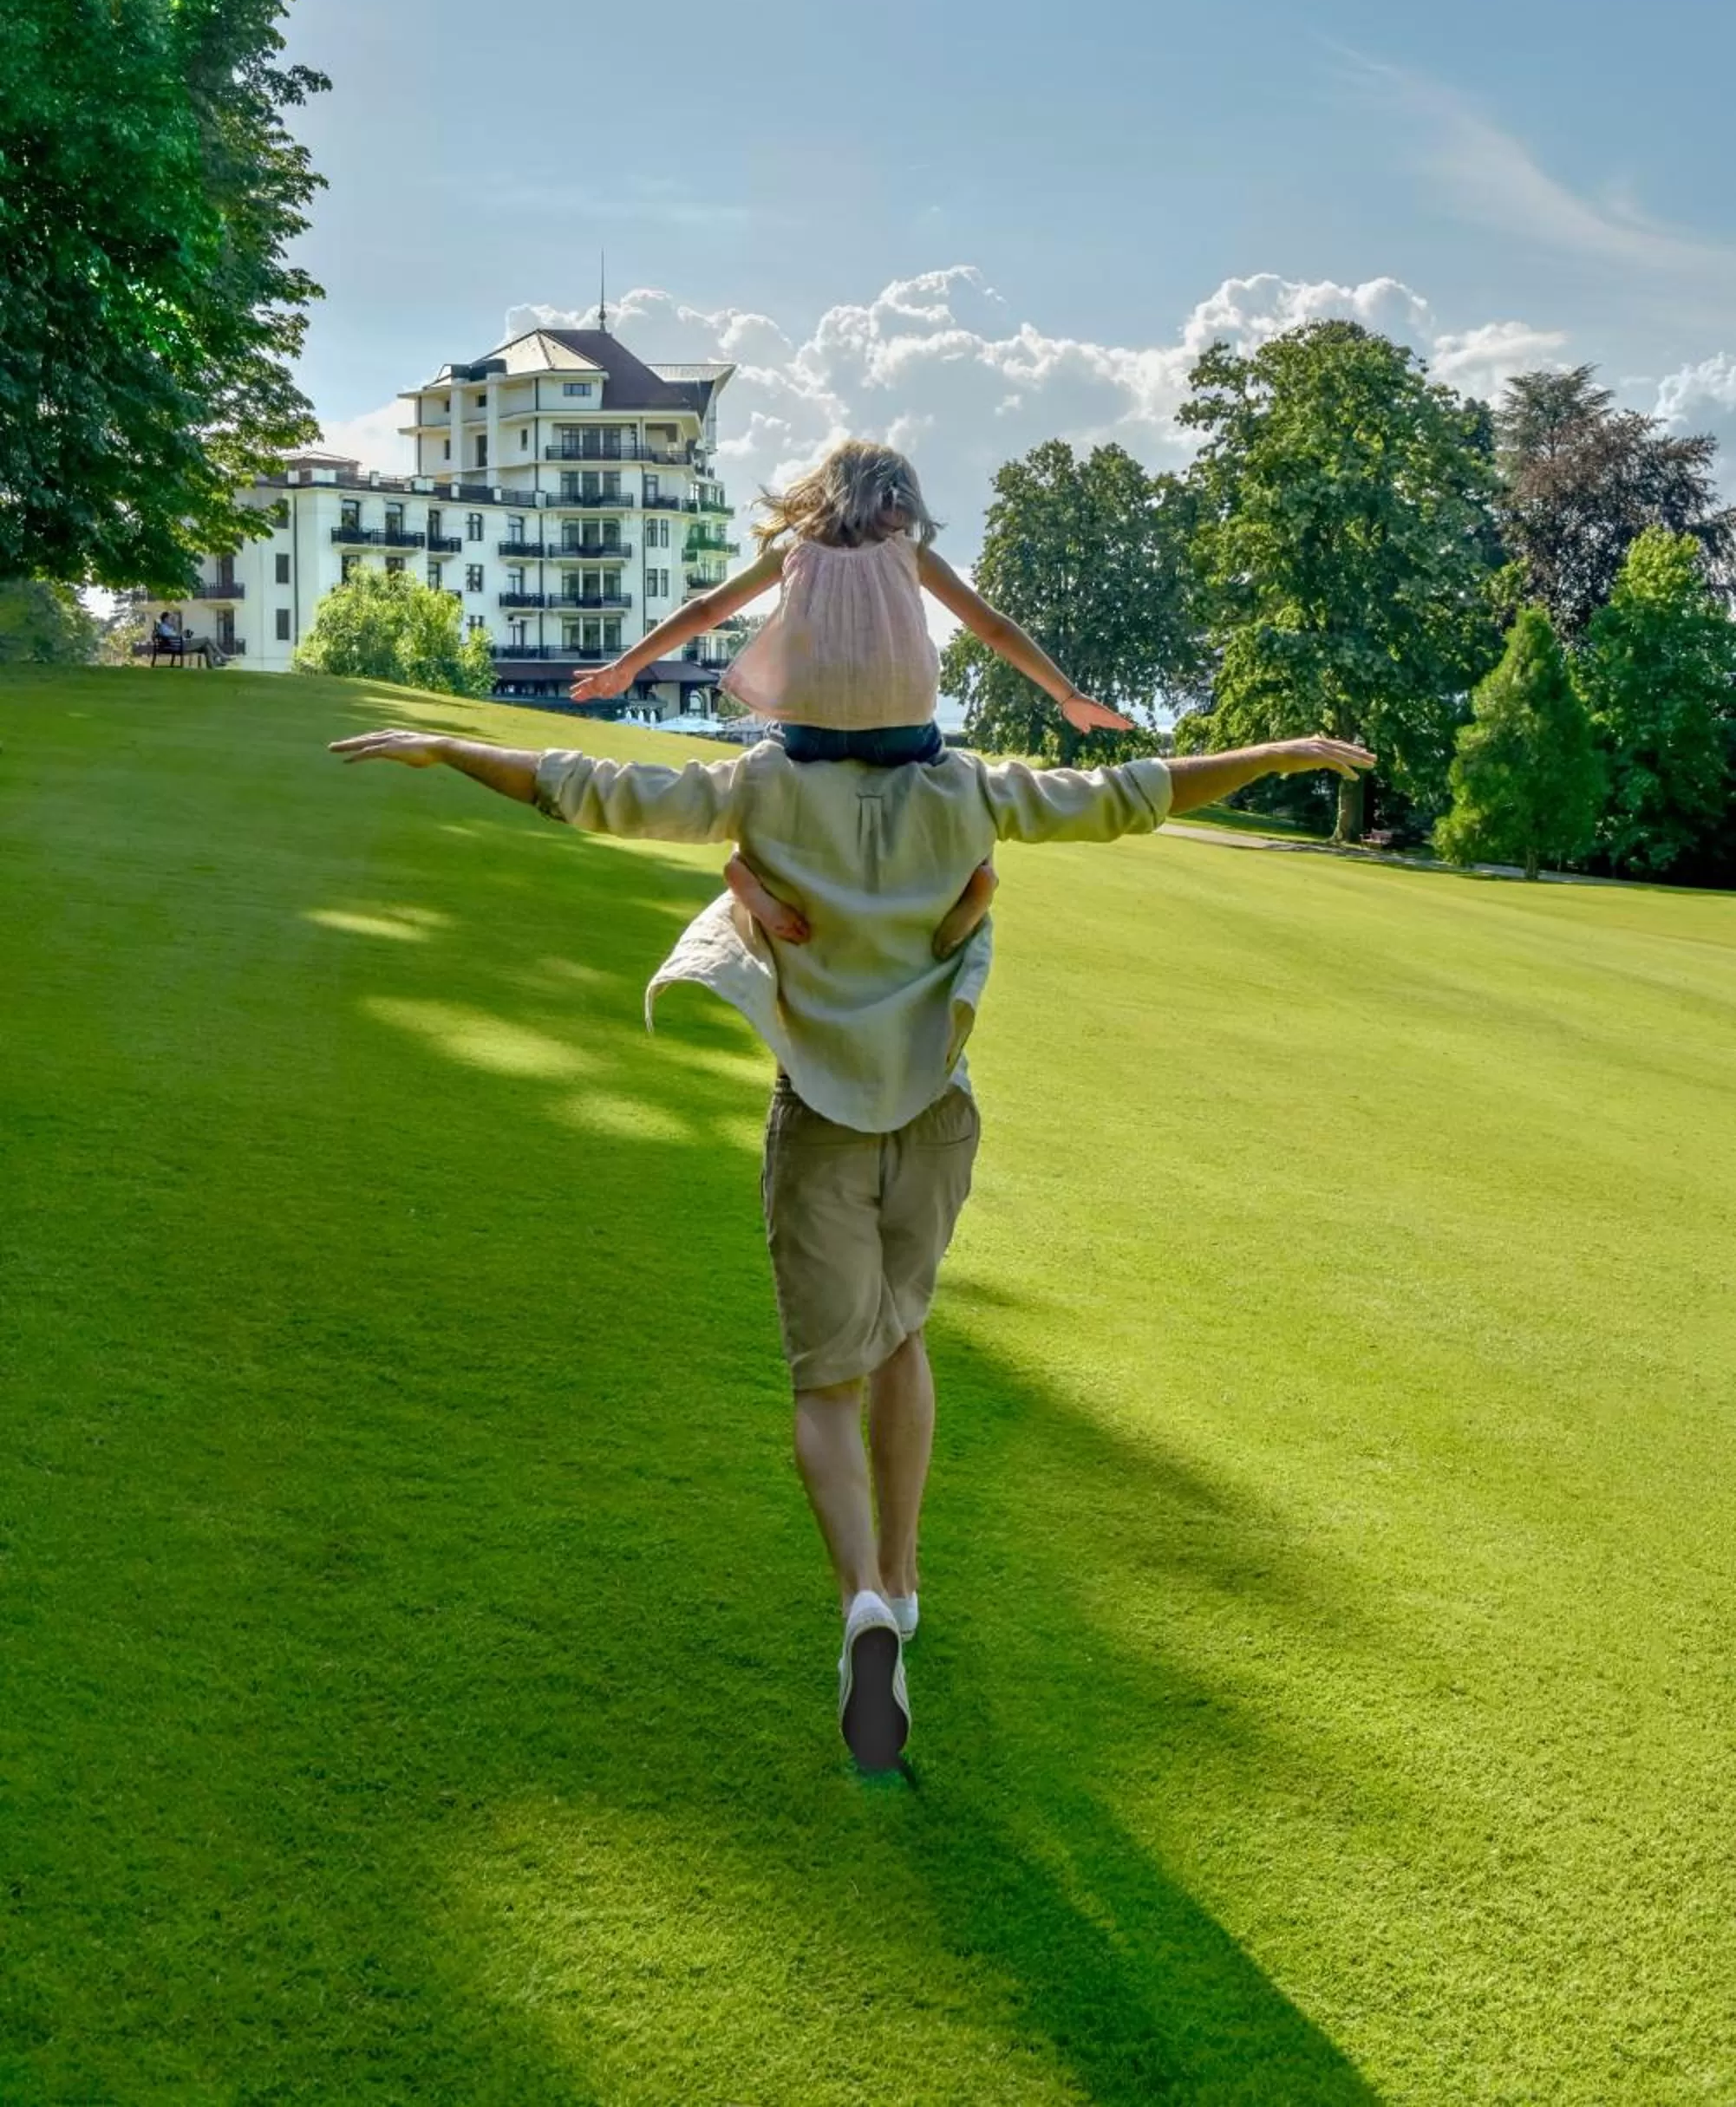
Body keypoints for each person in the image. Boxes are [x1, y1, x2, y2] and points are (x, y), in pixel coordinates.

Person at [330, 714, 1373, 1772]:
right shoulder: (969, 788)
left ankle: (862, 1597)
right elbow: (1132, 792)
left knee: (826, 1385)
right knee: (901, 1333)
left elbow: (592, 788)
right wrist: (1275, 755)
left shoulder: (766, 786)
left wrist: (452, 750)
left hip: (820, 1126)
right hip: (936, 1119)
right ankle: (906, 1581)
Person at [569, 440, 1136, 957]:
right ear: (897, 503)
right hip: (903, 735)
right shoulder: (909, 556)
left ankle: (750, 876)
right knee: (965, 794)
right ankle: (976, 882)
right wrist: (1067, 694)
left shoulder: (795, 552)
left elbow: (706, 612)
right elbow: (993, 628)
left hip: (807, 736)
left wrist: (626, 667)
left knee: (763, 791)